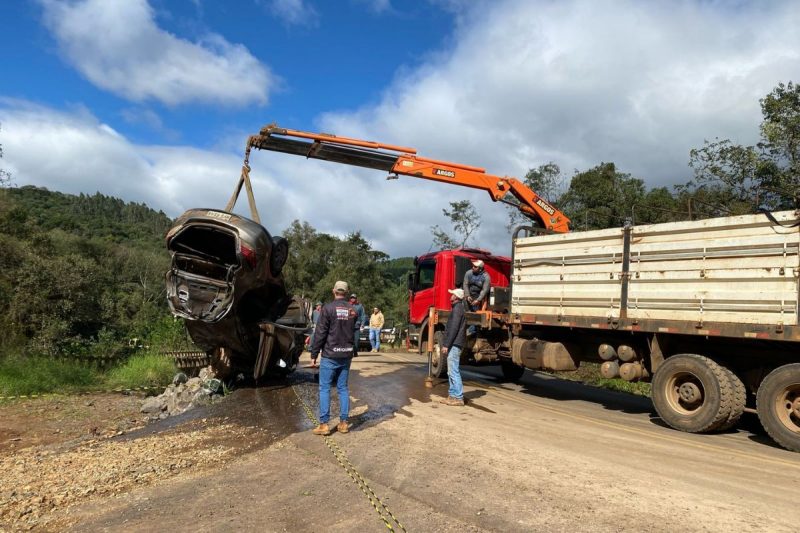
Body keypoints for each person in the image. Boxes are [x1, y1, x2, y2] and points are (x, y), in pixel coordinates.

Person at [310, 281, 358, 436]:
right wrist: (353, 350)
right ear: (346, 292)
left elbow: (320, 333)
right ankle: (343, 423)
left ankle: (324, 425)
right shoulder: (353, 310)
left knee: (324, 388)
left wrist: (313, 354)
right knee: (343, 388)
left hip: (330, 355)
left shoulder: (328, 309)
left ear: (334, 291)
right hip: (346, 354)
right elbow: (354, 332)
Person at [439, 288, 467, 406]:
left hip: (455, 344)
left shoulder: (457, 309)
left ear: (456, 297)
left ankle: (459, 397)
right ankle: (452, 396)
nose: (450, 296)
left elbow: (454, 329)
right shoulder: (457, 308)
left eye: (452, 295)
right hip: (455, 343)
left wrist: (446, 344)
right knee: (450, 371)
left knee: (453, 370)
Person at [462, 259, 490, 336]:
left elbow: (485, 290)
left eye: (475, 267)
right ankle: (463, 330)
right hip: (468, 295)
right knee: (465, 312)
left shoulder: (486, 277)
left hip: (479, 296)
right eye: (473, 266)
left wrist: (478, 300)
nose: (473, 267)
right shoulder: (468, 273)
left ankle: (472, 331)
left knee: (475, 314)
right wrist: (467, 295)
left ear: (480, 268)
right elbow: (465, 284)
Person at [308, 302, 323, 367]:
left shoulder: (323, 312)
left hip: (322, 327)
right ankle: (310, 347)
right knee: (312, 336)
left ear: (321, 306)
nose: (317, 307)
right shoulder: (314, 312)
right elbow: (311, 318)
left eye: (318, 306)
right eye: (316, 306)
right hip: (315, 326)